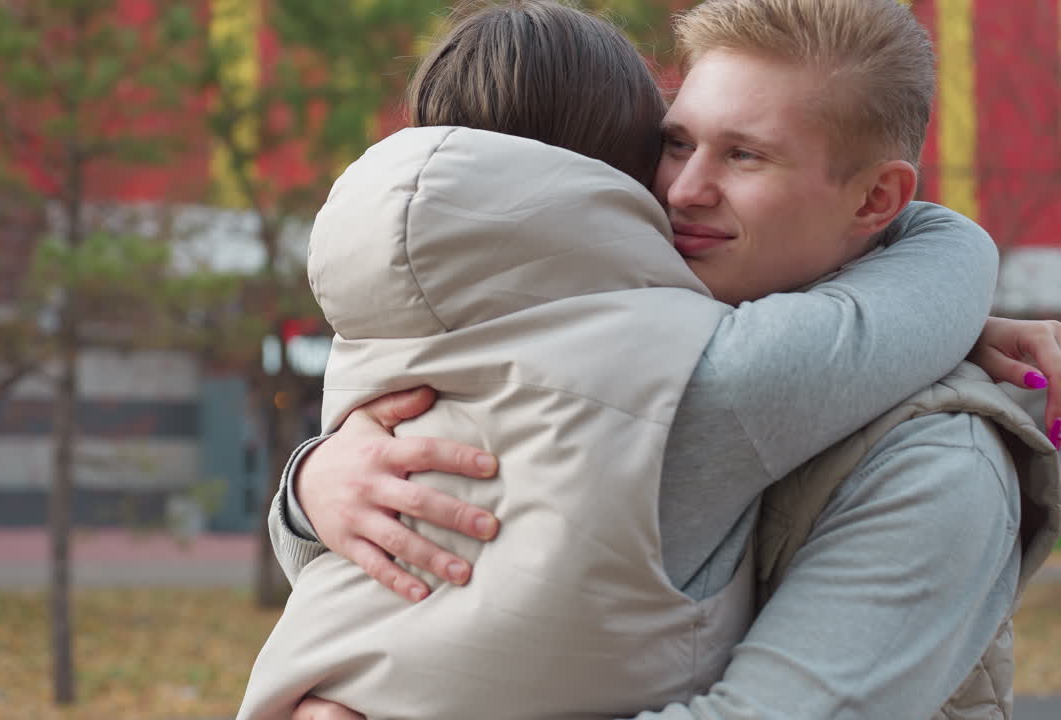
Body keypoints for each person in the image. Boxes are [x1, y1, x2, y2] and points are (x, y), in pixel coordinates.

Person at [245, 2, 1061, 719]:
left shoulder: (935, 457)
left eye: (744, 156)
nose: (682, 191)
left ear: (879, 199)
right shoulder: (624, 339)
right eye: (674, 144)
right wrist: (312, 494)